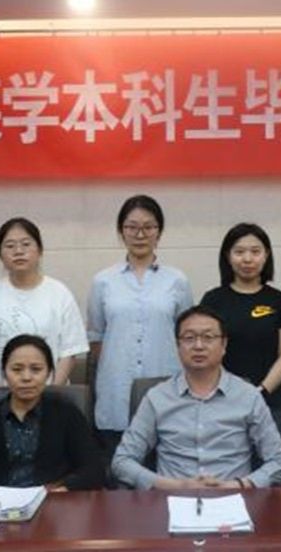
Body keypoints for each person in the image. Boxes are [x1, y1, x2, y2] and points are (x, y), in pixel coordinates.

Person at [111, 305, 281, 490]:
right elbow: (122, 461)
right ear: (178, 346)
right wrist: (177, 486)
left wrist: (236, 485)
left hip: (233, 497)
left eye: (208, 337)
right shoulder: (157, 397)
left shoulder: (248, 396)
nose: (198, 346)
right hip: (172, 498)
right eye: (189, 338)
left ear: (224, 345)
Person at [87, 195, 193, 456]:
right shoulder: (103, 281)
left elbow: (188, 337)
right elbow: (96, 338)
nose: (140, 234)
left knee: (166, 467)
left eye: (148, 227)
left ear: (159, 232)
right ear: (121, 231)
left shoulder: (177, 280)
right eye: (132, 227)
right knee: (118, 466)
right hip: (116, 388)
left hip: (165, 384)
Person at [0, 334, 103, 493]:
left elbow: (93, 469)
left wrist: (61, 490)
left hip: (53, 502)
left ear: (49, 373)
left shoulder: (68, 415)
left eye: (36, 369)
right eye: (17, 369)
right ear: (4, 373)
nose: (26, 377)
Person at [201, 223, 281, 444]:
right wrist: (230, 391)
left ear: (266, 256)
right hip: (223, 400)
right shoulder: (213, 300)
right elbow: (207, 351)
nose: (247, 259)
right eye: (239, 252)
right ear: (228, 256)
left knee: (272, 462)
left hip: (271, 402)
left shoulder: (280, 301)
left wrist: (261, 391)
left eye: (255, 251)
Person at [0, 217, 88, 387]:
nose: (18, 251)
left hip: (51, 393)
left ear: (40, 250)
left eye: (26, 244)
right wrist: (1, 397)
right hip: (2, 394)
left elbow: (69, 354)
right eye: (10, 246)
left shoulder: (60, 293)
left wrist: (50, 395)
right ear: (0, 254)